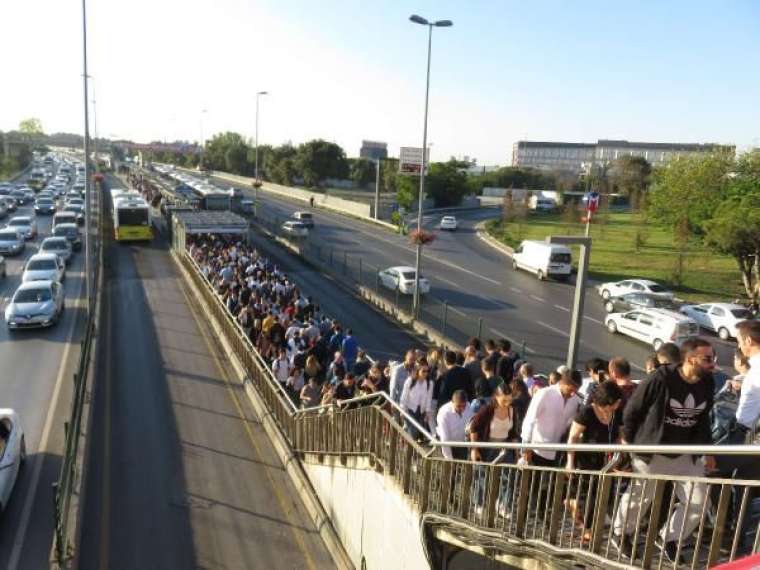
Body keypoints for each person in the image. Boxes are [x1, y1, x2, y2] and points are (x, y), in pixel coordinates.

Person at [613, 338, 716, 563]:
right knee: (640, 498)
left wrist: (707, 451)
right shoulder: (661, 378)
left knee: (699, 501)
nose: (713, 364)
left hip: (686, 451)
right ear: (690, 359)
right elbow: (632, 410)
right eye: (708, 359)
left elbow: (703, 418)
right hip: (654, 449)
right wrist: (631, 443)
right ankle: (621, 534)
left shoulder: (707, 381)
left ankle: (669, 536)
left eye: (713, 358)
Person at [565, 381, 624, 541]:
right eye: (616, 402)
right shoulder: (587, 412)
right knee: (587, 495)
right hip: (585, 458)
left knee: (600, 495)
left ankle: (585, 525)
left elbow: (619, 435)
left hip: (606, 460)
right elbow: (573, 437)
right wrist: (570, 462)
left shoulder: (617, 413)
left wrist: (620, 451)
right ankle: (584, 524)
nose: (618, 405)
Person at [520, 372, 582, 467]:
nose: (572, 394)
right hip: (536, 450)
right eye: (570, 390)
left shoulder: (575, 400)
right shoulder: (544, 393)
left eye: (575, 391)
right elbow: (530, 419)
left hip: (557, 453)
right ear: (562, 383)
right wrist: (526, 447)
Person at [400, 363, 434, 441]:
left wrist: (427, 412)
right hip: (410, 409)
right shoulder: (410, 381)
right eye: (423, 371)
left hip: (421, 410)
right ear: (418, 371)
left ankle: (406, 440)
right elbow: (404, 396)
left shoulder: (430, 383)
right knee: (414, 431)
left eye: (427, 371)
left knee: (417, 431)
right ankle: (408, 442)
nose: (426, 373)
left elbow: (429, 398)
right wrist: (402, 409)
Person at [436, 390, 474, 460]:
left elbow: (471, 425)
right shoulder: (444, 412)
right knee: (447, 469)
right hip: (445, 443)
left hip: (462, 444)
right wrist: (449, 459)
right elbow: (445, 438)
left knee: (462, 468)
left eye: (464, 406)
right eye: (459, 406)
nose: (462, 409)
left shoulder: (468, 406)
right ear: (452, 402)